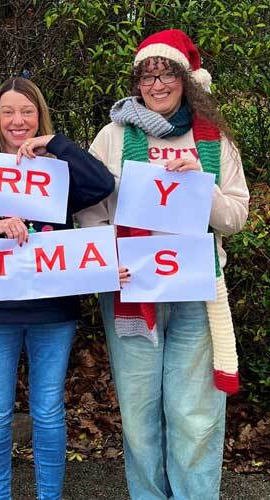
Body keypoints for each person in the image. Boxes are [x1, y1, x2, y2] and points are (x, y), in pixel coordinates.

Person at [76, 29, 249, 499]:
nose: (157, 84)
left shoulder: (213, 138)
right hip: (132, 290)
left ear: (186, 79)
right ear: (138, 83)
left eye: (167, 73)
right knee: (138, 415)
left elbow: (236, 217)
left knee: (194, 415)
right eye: (147, 75)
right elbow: (88, 208)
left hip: (195, 292)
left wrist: (204, 185)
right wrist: (105, 259)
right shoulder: (113, 136)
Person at [0, 77, 115, 500]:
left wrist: (56, 144)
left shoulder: (60, 172)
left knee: (48, 410)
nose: (18, 120)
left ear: (40, 116)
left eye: (28, 112)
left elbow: (102, 185)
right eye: (9, 111)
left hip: (53, 308)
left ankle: (49, 497)